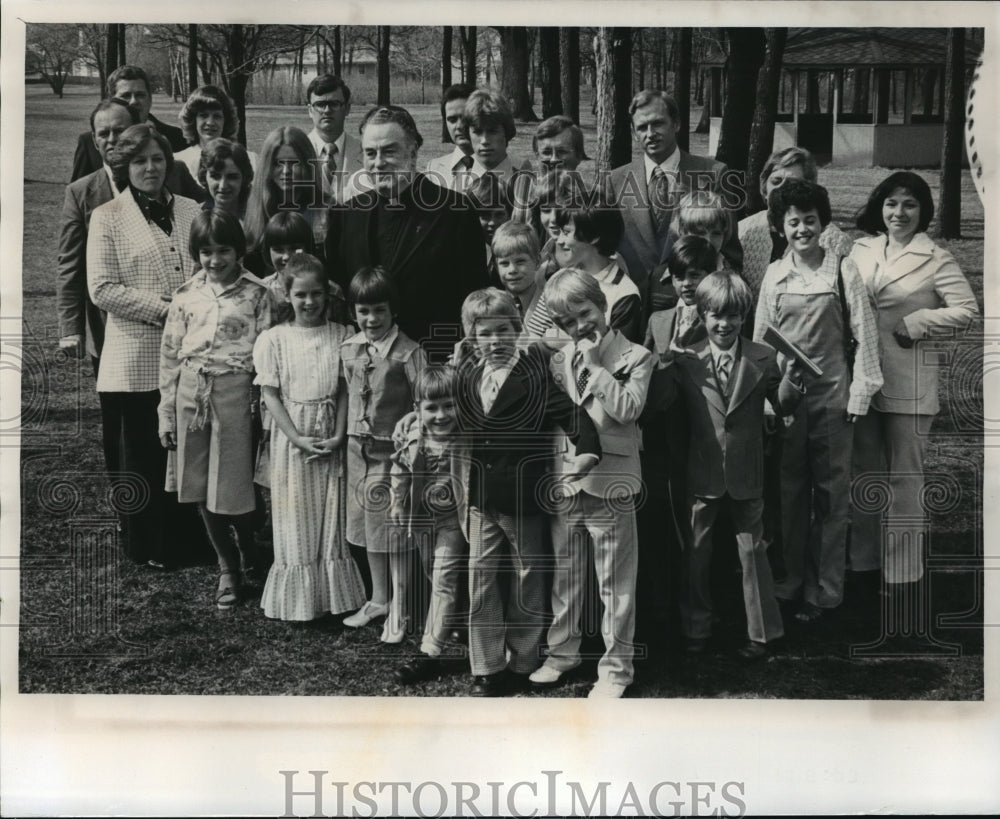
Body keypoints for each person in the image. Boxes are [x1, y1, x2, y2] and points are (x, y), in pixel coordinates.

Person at [646, 272, 805, 659]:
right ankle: (695, 628)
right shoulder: (688, 360)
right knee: (696, 555)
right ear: (701, 315)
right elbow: (660, 404)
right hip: (700, 474)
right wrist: (664, 363)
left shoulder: (762, 357)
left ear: (744, 316)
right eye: (715, 315)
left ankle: (763, 633)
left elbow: (782, 405)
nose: (724, 324)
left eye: (733, 316)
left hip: (747, 473)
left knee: (753, 554)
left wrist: (794, 382)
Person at [453, 288, 601, 696]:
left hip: (523, 499)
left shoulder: (533, 374)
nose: (495, 341)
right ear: (473, 337)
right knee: (480, 579)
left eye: (503, 331)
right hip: (482, 499)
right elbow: (445, 416)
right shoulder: (467, 374)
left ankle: (524, 657)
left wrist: (587, 448)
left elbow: (571, 412)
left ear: (518, 330)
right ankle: (485, 664)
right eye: (485, 334)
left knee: (527, 577)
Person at [849, 172, 979, 615]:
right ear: (879, 207)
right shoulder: (861, 248)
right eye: (890, 203)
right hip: (862, 379)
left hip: (910, 381)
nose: (898, 213)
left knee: (904, 480)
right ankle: (861, 568)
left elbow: (967, 310)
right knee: (863, 476)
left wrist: (919, 322)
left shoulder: (935, 257)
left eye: (908, 205)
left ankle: (901, 578)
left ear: (923, 211)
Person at [753, 179, 882, 622]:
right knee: (789, 496)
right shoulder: (775, 274)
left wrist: (860, 391)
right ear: (781, 227)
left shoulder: (842, 271)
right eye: (794, 222)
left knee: (831, 498)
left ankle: (824, 592)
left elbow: (865, 333)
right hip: (789, 402)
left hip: (833, 400)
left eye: (810, 220)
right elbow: (761, 344)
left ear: (822, 223)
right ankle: (788, 583)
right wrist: (768, 403)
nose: (803, 229)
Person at [529, 269, 652, 698]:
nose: (580, 327)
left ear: (602, 304)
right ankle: (563, 652)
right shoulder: (560, 359)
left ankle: (616, 669)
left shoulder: (636, 356)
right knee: (566, 575)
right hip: (567, 480)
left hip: (612, 483)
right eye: (567, 322)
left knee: (615, 584)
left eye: (584, 314)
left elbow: (628, 409)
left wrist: (598, 368)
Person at [86, 122, 203, 566]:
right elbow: (102, 288)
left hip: (187, 357)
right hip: (134, 356)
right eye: (140, 161)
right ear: (123, 165)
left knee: (180, 449)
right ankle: (149, 546)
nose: (150, 168)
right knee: (142, 456)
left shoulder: (192, 210)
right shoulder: (108, 217)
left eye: (157, 159)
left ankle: (188, 541)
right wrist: (166, 308)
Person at [157, 210, 272, 608]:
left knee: (234, 485)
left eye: (223, 250)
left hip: (236, 394)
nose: (215, 260)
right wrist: (166, 411)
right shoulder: (186, 294)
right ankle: (228, 566)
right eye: (206, 252)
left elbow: (268, 355)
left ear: (239, 251)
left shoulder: (258, 295)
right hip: (191, 392)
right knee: (200, 484)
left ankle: (250, 549)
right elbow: (171, 355)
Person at [252, 253, 366, 621]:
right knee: (295, 514)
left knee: (330, 514)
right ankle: (299, 601)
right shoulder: (274, 339)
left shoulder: (343, 336)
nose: (310, 302)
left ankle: (333, 596)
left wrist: (338, 435)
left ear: (327, 294)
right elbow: (270, 395)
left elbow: (346, 390)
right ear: (287, 294)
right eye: (301, 294)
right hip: (293, 439)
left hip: (332, 431)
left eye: (316, 293)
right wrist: (297, 438)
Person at [324, 104, 488, 349]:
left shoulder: (455, 212)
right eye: (370, 153)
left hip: (433, 365)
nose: (378, 163)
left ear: (413, 153)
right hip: (366, 370)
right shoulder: (345, 215)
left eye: (389, 151)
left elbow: (473, 299)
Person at [638, 235, 718, 644]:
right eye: (679, 276)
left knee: (699, 528)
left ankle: (697, 619)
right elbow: (644, 370)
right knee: (661, 521)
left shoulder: (720, 320)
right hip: (661, 434)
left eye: (696, 275)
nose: (686, 284)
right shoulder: (658, 319)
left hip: (703, 431)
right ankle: (661, 610)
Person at [341, 267, 427, 643]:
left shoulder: (409, 352)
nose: (371, 319)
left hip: (392, 456)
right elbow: (347, 391)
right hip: (357, 450)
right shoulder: (349, 348)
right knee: (365, 526)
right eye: (363, 311)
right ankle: (379, 599)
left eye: (379, 310)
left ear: (393, 311)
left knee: (392, 531)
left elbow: (425, 403)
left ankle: (402, 607)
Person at [606, 90, 741, 298]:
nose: (650, 133)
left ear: (676, 123)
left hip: (697, 303)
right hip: (634, 304)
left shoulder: (713, 174)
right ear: (634, 133)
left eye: (658, 123)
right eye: (642, 127)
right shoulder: (615, 181)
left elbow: (731, 253)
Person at [391, 364, 471, 684]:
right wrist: (397, 501)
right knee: (432, 572)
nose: (440, 415)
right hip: (423, 518)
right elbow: (399, 468)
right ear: (417, 410)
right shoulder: (415, 438)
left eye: (449, 406)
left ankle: (429, 651)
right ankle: (457, 624)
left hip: (454, 518)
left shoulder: (467, 436)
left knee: (444, 577)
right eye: (431, 408)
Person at [738, 147, 854, 300]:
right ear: (764, 187)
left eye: (792, 182)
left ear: (808, 188)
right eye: (776, 181)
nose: (782, 188)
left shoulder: (835, 241)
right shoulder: (742, 231)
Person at [551, 191, 642, 344]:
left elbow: (619, 357)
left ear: (593, 237)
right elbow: (541, 336)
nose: (559, 241)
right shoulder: (561, 277)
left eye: (566, 232)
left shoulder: (625, 294)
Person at [71, 65, 187, 182]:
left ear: (150, 99)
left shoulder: (177, 138)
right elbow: (80, 193)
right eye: (125, 96)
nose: (133, 102)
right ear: (111, 100)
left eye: (140, 95)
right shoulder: (89, 142)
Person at [244, 126, 324, 251]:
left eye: (294, 163)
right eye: (277, 163)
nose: (286, 171)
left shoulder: (326, 210)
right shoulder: (253, 209)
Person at [175, 86, 258, 188]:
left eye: (217, 116)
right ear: (193, 120)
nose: (210, 122)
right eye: (203, 115)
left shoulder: (251, 160)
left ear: (226, 121)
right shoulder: (179, 161)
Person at [304, 74, 363, 205]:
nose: (327, 110)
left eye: (334, 104)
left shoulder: (365, 153)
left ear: (347, 108)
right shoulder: (296, 152)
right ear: (309, 110)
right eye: (320, 104)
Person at [492, 220, 553, 340]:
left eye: (520, 261)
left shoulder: (551, 304)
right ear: (496, 266)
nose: (512, 270)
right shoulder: (496, 306)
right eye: (504, 263)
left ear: (537, 261)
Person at [462, 89, 533, 185]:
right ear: (468, 134)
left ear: (506, 132)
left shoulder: (521, 170)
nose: (484, 140)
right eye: (477, 132)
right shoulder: (461, 171)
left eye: (492, 131)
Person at [424, 83, 476, 190]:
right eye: (452, 120)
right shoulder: (434, 169)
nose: (459, 126)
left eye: (466, 118)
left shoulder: (503, 168)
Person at [197, 137, 254, 222]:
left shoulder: (257, 216)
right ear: (204, 176)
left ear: (244, 177)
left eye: (232, 177)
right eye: (215, 176)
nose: (223, 185)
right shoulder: (196, 215)